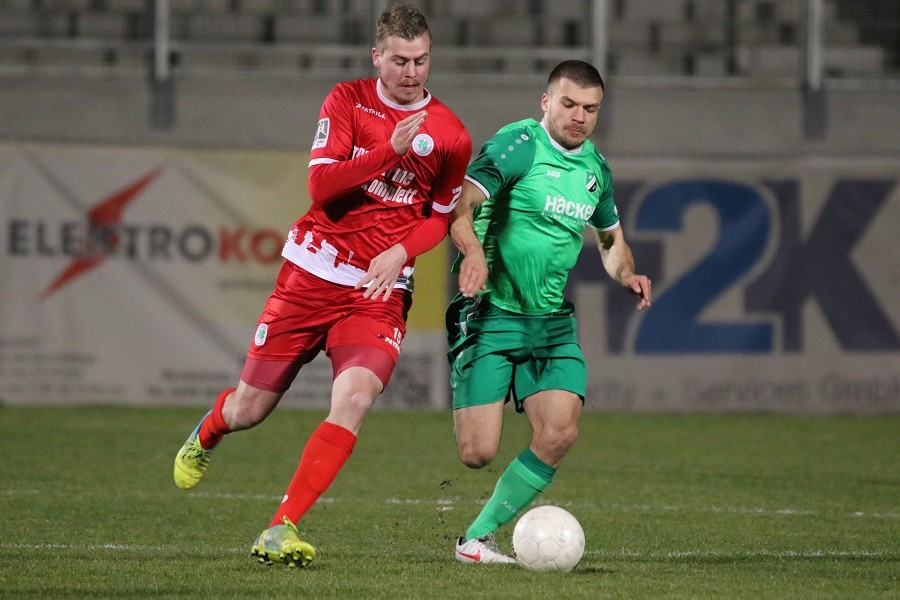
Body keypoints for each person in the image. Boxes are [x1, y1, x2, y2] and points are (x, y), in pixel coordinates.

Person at [172, 3, 471, 568]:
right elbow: (319, 185)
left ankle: (282, 526)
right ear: (377, 57)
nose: (412, 72)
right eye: (401, 61)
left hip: (378, 292)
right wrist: (389, 152)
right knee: (249, 410)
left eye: (422, 61)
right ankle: (211, 428)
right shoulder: (347, 101)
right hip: (310, 276)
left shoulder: (452, 134)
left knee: (355, 400)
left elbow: (438, 215)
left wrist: (402, 252)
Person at [446, 60, 651, 564]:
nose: (578, 116)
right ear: (545, 102)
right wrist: (473, 253)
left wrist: (625, 272)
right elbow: (460, 206)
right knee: (477, 455)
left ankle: (474, 539)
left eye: (590, 108)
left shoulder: (595, 171)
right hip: (492, 313)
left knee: (560, 432)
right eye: (568, 104)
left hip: (553, 323)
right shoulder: (518, 146)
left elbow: (610, 239)